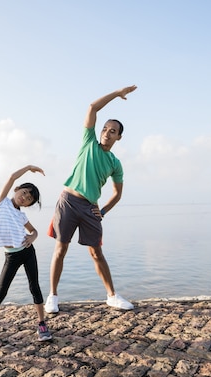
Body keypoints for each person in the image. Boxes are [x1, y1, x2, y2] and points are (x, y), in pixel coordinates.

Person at [45, 85, 138, 314]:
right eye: (105, 128)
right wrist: (117, 94)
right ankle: (53, 297)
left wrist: (103, 211)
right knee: (60, 249)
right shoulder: (88, 142)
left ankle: (112, 296)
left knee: (96, 252)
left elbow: (117, 194)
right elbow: (92, 107)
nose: (107, 132)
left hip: (90, 208)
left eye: (113, 130)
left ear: (119, 137)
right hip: (68, 201)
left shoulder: (115, 163)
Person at [0, 165, 52, 344]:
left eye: (29, 199)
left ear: (29, 204)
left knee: (34, 286)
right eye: (24, 193)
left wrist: (32, 237)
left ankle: (42, 323)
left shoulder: (22, 216)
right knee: (1, 290)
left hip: (27, 252)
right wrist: (29, 167)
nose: (24, 198)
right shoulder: (2, 202)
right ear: (16, 190)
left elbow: (34, 231)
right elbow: (12, 176)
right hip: (11, 256)